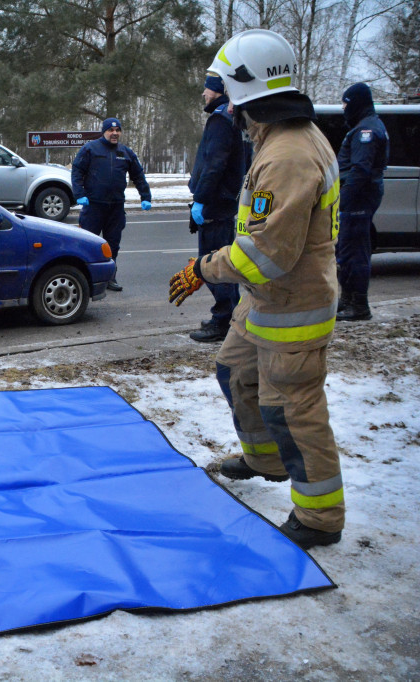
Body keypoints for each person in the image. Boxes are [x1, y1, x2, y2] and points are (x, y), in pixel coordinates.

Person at [168, 29, 344, 549]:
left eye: (220, 85)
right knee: (233, 369)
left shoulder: (287, 155)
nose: (216, 96)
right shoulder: (278, 141)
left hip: (294, 307)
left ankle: (318, 516)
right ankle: (263, 459)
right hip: (263, 301)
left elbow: (266, 255)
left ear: (243, 89)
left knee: (292, 408)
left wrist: (205, 267)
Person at [187, 74, 250, 342]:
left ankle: (222, 320)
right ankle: (231, 316)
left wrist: (201, 199)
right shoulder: (234, 117)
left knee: (212, 264)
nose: (204, 94)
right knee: (223, 260)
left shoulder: (221, 119)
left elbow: (215, 165)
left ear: (219, 92)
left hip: (214, 203)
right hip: (223, 202)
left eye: (207, 90)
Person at [70, 117, 151, 291]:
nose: (114, 133)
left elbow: (138, 175)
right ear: (104, 131)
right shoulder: (90, 149)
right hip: (94, 206)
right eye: (111, 130)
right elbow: (77, 171)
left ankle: (109, 278)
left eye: (117, 130)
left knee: (112, 245)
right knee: (88, 244)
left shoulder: (125, 152)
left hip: (115, 207)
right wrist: (79, 194)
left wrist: (145, 196)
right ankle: (85, 279)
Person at [335, 82, 388, 322]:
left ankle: (359, 304)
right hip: (358, 199)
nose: (344, 108)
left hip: (358, 200)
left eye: (346, 103)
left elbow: (360, 170)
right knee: (347, 251)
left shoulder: (366, 131)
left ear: (356, 102)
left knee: (354, 252)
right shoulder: (365, 126)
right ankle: (347, 300)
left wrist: (343, 200)